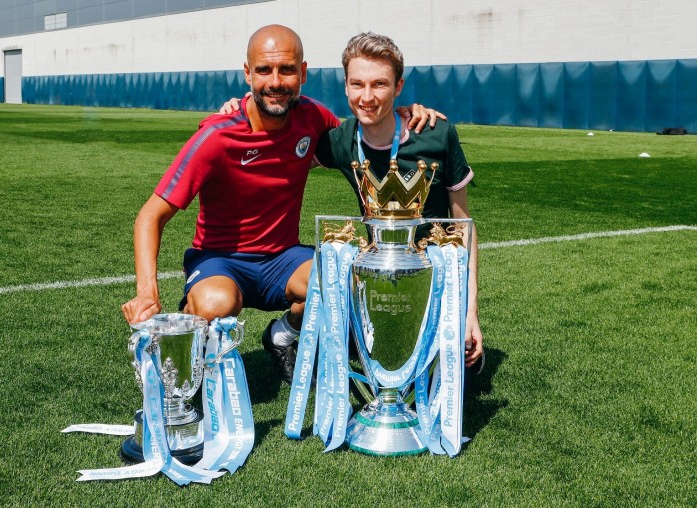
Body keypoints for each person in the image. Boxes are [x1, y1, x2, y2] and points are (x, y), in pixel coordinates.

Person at [121, 24, 442, 385]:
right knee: (215, 304)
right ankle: (189, 366)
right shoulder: (216, 136)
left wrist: (400, 113)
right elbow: (151, 215)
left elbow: (363, 137)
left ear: (302, 73)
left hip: (282, 259)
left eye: (286, 69)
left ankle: (284, 334)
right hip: (221, 260)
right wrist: (147, 292)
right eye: (264, 70)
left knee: (346, 277)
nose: (275, 81)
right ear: (248, 74)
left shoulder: (313, 117)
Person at [313, 32, 484, 370]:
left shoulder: (436, 133)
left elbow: (463, 226)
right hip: (378, 277)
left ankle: (448, 335)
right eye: (357, 84)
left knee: (458, 367)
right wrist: (241, 110)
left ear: (398, 87)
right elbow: (281, 148)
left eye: (379, 85)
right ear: (345, 86)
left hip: (436, 281)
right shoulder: (340, 141)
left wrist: (469, 310)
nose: (367, 97)